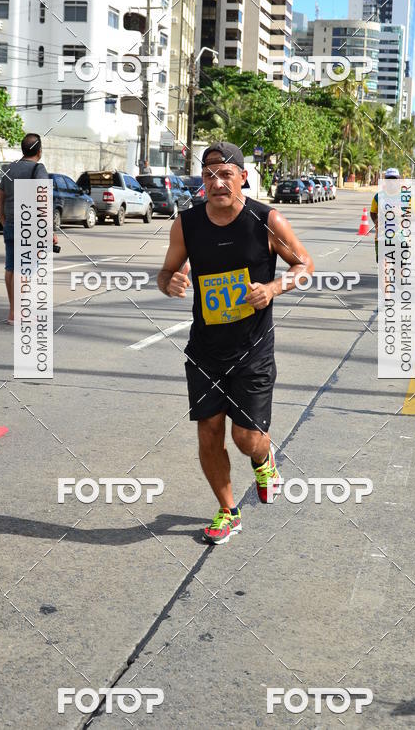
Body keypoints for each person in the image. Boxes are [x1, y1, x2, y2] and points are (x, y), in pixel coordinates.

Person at [157, 141, 315, 545]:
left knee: (246, 439)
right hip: (205, 350)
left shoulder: (267, 220)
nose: (217, 182)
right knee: (209, 431)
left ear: (243, 177)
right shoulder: (187, 224)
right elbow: (166, 273)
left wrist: (274, 288)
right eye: (209, 175)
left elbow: (304, 265)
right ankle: (228, 510)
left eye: (226, 174)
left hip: (252, 350)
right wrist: (170, 283)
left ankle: (264, 458)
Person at [0, 133, 56, 324]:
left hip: (10, 225)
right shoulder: (38, 169)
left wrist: (4, 221)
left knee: (11, 269)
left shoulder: (10, 168)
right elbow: (43, 201)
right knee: (24, 270)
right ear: (39, 151)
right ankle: (20, 313)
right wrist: (49, 231)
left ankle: (13, 312)